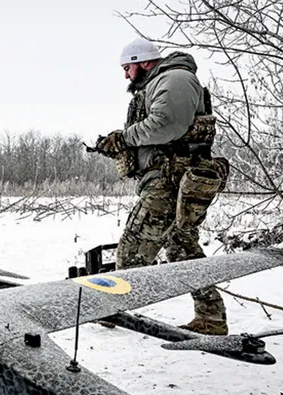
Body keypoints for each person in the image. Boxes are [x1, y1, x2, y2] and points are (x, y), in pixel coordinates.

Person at [92, 38, 229, 335]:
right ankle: (211, 317)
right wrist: (119, 145)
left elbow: (166, 125)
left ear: (142, 62)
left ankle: (111, 311)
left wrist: (125, 137)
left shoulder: (175, 78)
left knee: (134, 247)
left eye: (127, 68)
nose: (126, 75)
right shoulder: (161, 82)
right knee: (182, 248)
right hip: (170, 179)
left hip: (169, 181)